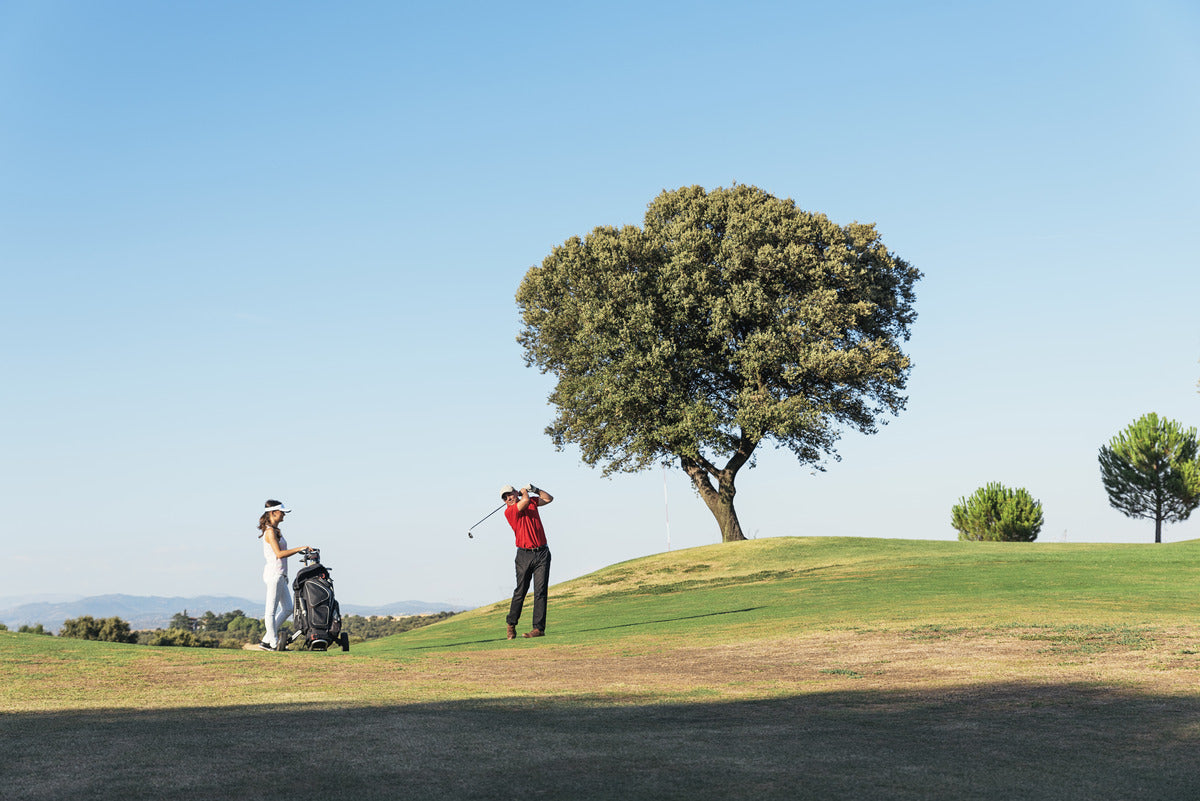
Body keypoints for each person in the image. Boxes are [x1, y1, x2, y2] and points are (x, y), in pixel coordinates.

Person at [251, 499, 312, 652]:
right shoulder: (270, 531)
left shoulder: (276, 530)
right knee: (270, 611)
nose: (284, 515)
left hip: (281, 575)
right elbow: (279, 554)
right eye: (282, 512)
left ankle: (266, 641)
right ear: (273, 513)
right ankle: (273, 643)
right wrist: (300, 548)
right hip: (274, 574)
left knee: (288, 608)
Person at [501, 483, 554, 639]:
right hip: (524, 555)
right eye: (504, 498)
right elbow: (523, 502)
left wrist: (534, 489)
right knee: (521, 591)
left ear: (514, 492)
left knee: (540, 592)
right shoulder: (510, 511)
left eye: (509, 494)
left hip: (542, 553)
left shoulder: (531, 502)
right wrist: (525, 493)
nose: (508, 498)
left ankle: (538, 629)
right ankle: (511, 624)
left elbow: (549, 498)